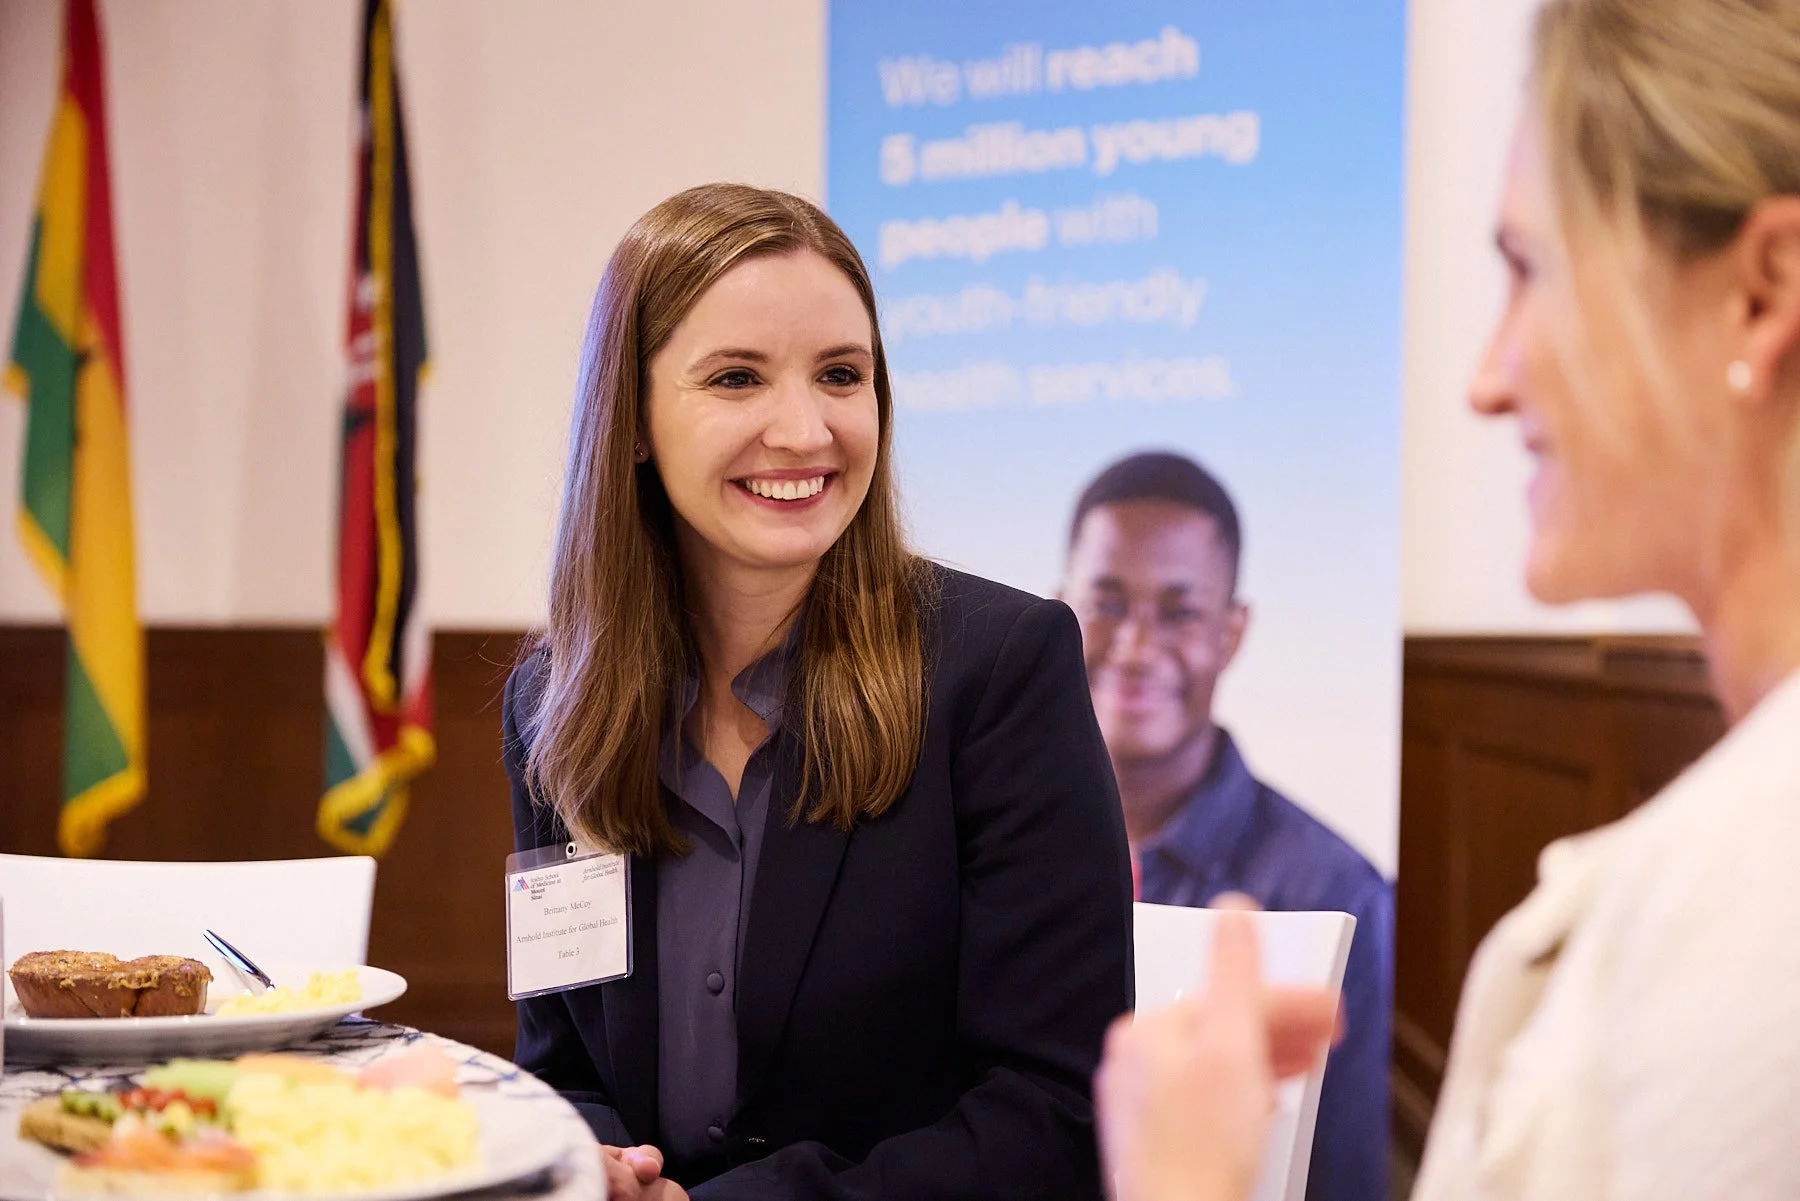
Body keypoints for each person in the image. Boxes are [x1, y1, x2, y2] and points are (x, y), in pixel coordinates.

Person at [1096, 0, 1800, 1197]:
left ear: (1761, 291)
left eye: (1532, 270)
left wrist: (1185, 1180)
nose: (1487, 378)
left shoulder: (1731, 935)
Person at [501, 183, 1134, 1200]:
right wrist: (596, 1164)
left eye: (841, 374)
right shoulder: (551, 704)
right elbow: (564, 1069)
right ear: (632, 422)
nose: (804, 429)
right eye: (738, 378)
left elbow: (1058, 1111)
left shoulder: (1002, 668)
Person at [1063, 451, 1391, 1201]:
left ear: (1232, 632)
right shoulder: (988, 844)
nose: (1137, 648)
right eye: (1106, 602)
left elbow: (1341, 1181)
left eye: (1179, 612)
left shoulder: (1335, 891)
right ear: (1058, 612)